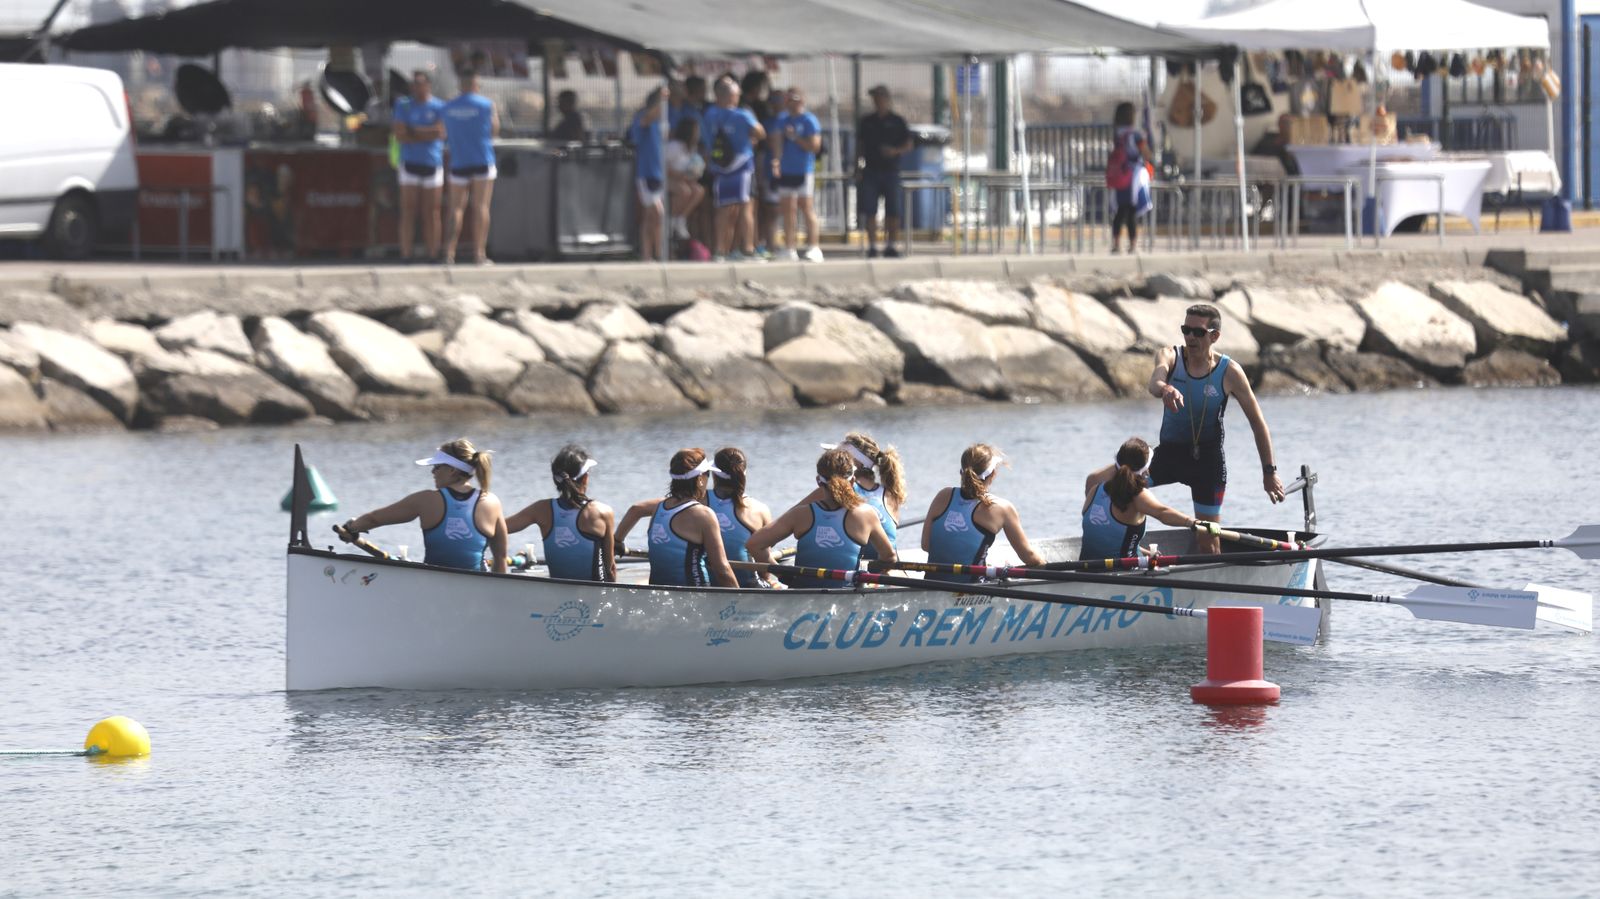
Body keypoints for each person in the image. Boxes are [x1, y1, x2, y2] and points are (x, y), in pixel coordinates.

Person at [1146, 303, 1287, 554]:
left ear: (1214, 336)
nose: (1190, 337)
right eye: (1185, 330)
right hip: (1168, 455)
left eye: (1198, 332)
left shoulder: (1229, 372)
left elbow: (1257, 423)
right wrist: (1166, 388)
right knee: (1119, 488)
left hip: (1207, 462)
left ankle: (1209, 583)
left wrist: (1269, 472)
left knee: (1208, 539)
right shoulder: (1170, 355)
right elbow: (1155, 382)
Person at [337, 439, 508, 573]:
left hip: (432, 585)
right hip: (476, 586)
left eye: (436, 467)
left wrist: (352, 526)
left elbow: (374, 519)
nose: (432, 472)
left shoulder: (426, 500)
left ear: (452, 470)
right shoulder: (492, 502)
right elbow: (500, 558)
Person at [747, 448, 896, 588]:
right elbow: (889, 557)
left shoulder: (800, 514)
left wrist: (784, 576)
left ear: (818, 481)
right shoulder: (866, 514)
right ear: (852, 481)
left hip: (801, 596)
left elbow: (754, 545)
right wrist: (868, 572)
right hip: (847, 598)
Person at [614, 448, 738, 588]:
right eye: (707, 474)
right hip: (697, 597)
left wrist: (617, 542)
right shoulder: (704, 515)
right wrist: (739, 601)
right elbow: (721, 569)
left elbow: (635, 509)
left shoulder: (659, 508)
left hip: (656, 595)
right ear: (700, 479)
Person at [922, 444, 1045, 582]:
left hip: (931, 586)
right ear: (993, 474)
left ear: (961, 472)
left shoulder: (943, 496)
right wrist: (1044, 567)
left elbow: (926, 545)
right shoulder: (1002, 508)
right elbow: (1029, 556)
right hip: (973, 593)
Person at [505, 445, 616, 582]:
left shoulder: (541, 509)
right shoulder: (603, 512)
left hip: (557, 598)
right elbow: (610, 568)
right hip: (595, 596)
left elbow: (500, 528)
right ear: (585, 478)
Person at [1079, 438, 1197, 561]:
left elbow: (1111, 537)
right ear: (1145, 469)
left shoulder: (1095, 489)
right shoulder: (1137, 496)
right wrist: (1194, 523)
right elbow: (1163, 513)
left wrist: (1146, 553)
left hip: (1085, 569)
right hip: (1125, 571)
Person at [794, 432, 906, 561]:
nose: (832, 461)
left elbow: (791, 518)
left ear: (852, 462)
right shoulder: (891, 495)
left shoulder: (833, 491)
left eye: (838, 457)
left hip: (858, 575)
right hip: (888, 568)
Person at [701, 75, 765, 261]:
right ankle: (747, 248)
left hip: (720, 166)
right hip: (742, 165)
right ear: (731, 96)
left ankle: (720, 250)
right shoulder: (742, 114)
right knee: (746, 206)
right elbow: (761, 133)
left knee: (722, 208)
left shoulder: (709, 114)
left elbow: (706, 140)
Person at [442, 68, 499, 266]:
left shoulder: (448, 106)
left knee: (455, 208)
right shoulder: (487, 105)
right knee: (481, 207)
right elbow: (494, 130)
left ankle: (449, 254)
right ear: (476, 86)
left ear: (460, 85)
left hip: (459, 161)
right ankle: (479, 254)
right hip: (482, 160)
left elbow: (443, 132)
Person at [392, 69, 445, 263]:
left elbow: (440, 132)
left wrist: (413, 131)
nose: (417, 87)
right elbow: (400, 134)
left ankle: (433, 253)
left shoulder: (439, 106)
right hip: (409, 164)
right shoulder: (403, 105)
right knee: (408, 211)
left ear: (428, 85)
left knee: (432, 212)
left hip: (432, 163)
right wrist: (426, 132)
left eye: (420, 83)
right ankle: (406, 254)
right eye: (414, 84)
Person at [707, 447, 779, 588]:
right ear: (744, 474)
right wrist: (768, 580)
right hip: (747, 584)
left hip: (704, 583)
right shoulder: (760, 509)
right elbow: (763, 564)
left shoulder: (697, 502)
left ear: (714, 474)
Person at [855, 85, 912, 258]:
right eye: (875, 99)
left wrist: (894, 151)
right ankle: (872, 246)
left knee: (893, 211)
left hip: (891, 171)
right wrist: (857, 167)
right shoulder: (867, 122)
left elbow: (909, 144)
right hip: (871, 170)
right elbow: (860, 146)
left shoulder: (897, 121)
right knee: (870, 210)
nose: (877, 101)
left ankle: (891, 245)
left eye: (880, 98)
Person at [769, 86, 824, 262]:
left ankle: (814, 247)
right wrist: (776, 161)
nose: (790, 103)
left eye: (794, 99)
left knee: (806, 207)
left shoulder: (809, 120)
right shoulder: (782, 119)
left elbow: (814, 146)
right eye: (788, 99)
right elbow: (777, 141)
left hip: (803, 170)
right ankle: (789, 247)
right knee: (788, 209)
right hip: (786, 170)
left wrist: (795, 138)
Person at [741, 70, 779, 260]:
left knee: (763, 205)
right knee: (754, 204)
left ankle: (761, 241)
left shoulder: (761, 108)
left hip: (758, 160)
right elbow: (761, 135)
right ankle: (753, 243)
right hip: (755, 161)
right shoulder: (747, 108)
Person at [628, 86, 669, 262]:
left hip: (659, 174)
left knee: (651, 217)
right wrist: (661, 98)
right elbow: (647, 118)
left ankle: (649, 254)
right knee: (657, 213)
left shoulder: (661, 122)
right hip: (646, 173)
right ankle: (657, 253)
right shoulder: (643, 118)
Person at [1106, 101, 1151, 255]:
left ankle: (1116, 244)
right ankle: (1132, 245)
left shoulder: (1117, 133)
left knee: (1119, 211)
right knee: (1131, 211)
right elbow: (1145, 152)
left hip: (1119, 175)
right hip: (1132, 176)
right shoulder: (1135, 134)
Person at [665, 117, 707, 244]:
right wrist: (680, 175)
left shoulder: (692, 148)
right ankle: (670, 221)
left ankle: (681, 219)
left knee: (699, 191)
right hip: (668, 179)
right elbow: (664, 166)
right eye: (696, 130)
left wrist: (694, 174)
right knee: (684, 191)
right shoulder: (674, 146)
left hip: (684, 180)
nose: (698, 134)